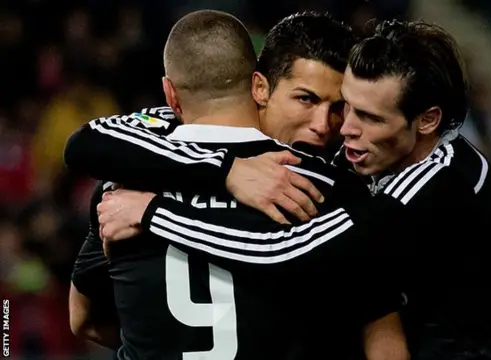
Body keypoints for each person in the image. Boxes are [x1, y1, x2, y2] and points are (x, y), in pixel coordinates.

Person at [97, 20, 491, 359]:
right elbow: (94, 142)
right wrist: (221, 166)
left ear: (427, 121)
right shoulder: (384, 156)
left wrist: (154, 213)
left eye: (369, 118)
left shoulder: (432, 186)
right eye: (347, 107)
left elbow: (284, 252)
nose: (343, 131)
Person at [69, 10, 405, 360]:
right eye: (305, 99)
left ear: (172, 93)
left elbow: (83, 320)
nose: (324, 125)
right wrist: (227, 171)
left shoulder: (124, 187)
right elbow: (381, 334)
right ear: (258, 87)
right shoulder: (327, 190)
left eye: (339, 108)